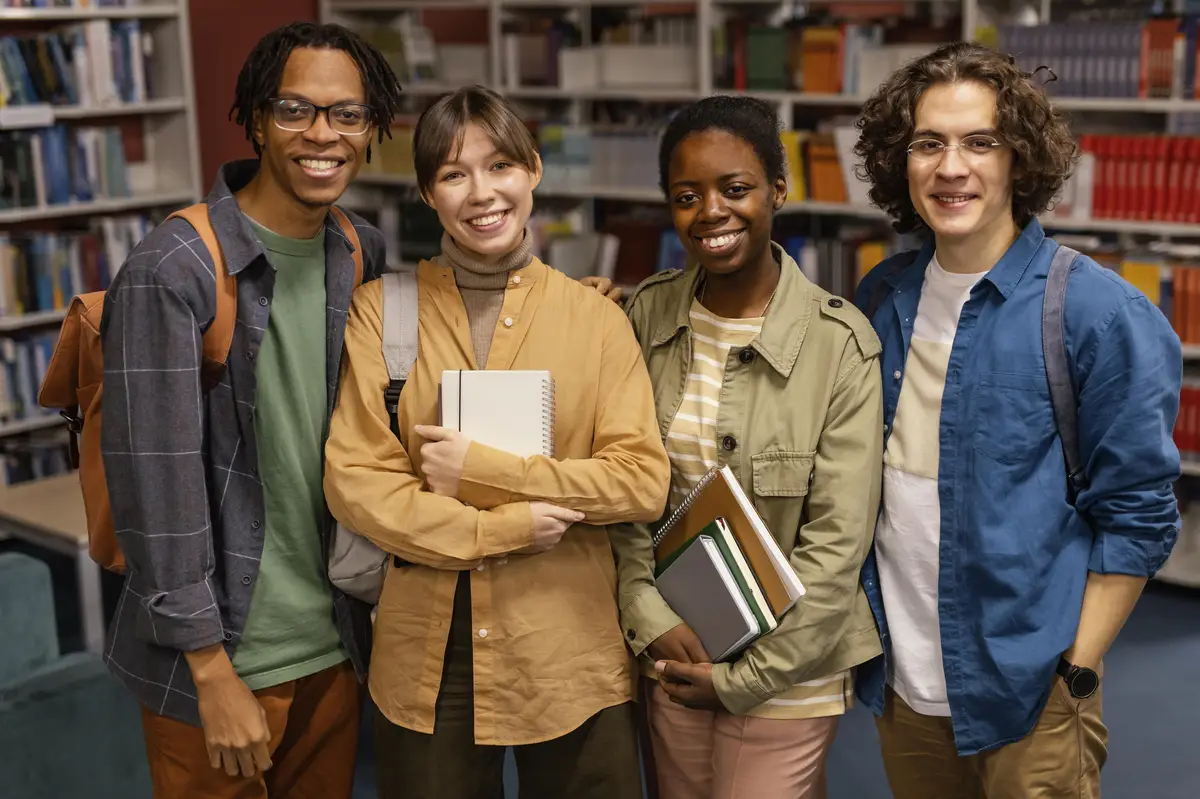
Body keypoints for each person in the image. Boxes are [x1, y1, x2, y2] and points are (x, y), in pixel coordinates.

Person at [851, 41, 1183, 798]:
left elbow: (1139, 514)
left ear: (1019, 160)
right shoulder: (883, 296)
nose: (951, 167)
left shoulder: (1097, 313)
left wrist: (1078, 667)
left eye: (980, 142)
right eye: (928, 143)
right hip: (902, 683)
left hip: (1029, 693)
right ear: (900, 162)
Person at [322, 84, 671, 799]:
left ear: (533, 170)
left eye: (500, 166)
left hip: (567, 643)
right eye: (453, 174)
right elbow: (357, 482)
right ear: (427, 193)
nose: (482, 193)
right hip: (426, 648)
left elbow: (640, 479)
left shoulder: (598, 320)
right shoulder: (382, 313)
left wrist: (485, 470)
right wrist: (510, 525)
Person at [97, 21, 405, 798]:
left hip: (332, 642)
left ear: (370, 129)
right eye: (296, 110)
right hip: (223, 654)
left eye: (347, 114)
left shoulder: (357, 247)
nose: (323, 135)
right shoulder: (174, 267)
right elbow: (155, 488)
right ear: (258, 119)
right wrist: (209, 668)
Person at [614, 95, 885, 798]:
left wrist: (747, 677)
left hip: (788, 668)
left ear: (778, 191)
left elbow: (836, 547)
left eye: (735, 189)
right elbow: (627, 491)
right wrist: (649, 617)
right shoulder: (645, 313)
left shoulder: (840, 344)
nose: (711, 212)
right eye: (686, 195)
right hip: (672, 650)